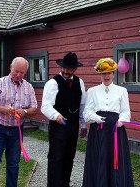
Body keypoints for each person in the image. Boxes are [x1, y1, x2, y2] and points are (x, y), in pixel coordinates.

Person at [0, 57, 37, 187]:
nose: (19, 75)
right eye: (16, 71)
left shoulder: (29, 88)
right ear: (10, 68)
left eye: (22, 72)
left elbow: (34, 109)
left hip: (16, 131)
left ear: (26, 73)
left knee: (14, 164)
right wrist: (5, 110)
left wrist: (24, 112)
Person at [82, 58, 134, 187]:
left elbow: (126, 112)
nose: (107, 76)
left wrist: (121, 121)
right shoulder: (92, 91)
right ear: (100, 74)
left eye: (109, 73)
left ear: (113, 74)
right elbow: (87, 113)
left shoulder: (122, 91)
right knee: (99, 158)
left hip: (115, 130)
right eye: (104, 73)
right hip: (98, 129)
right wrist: (96, 118)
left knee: (115, 160)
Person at [41, 52, 87, 187]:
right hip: (58, 126)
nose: (66, 71)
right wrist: (57, 116)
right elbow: (45, 106)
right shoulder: (52, 83)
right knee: (56, 158)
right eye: (64, 68)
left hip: (73, 125)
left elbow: (82, 105)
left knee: (69, 157)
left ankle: (64, 184)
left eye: (69, 68)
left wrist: (83, 125)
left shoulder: (80, 82)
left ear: (75, 69)